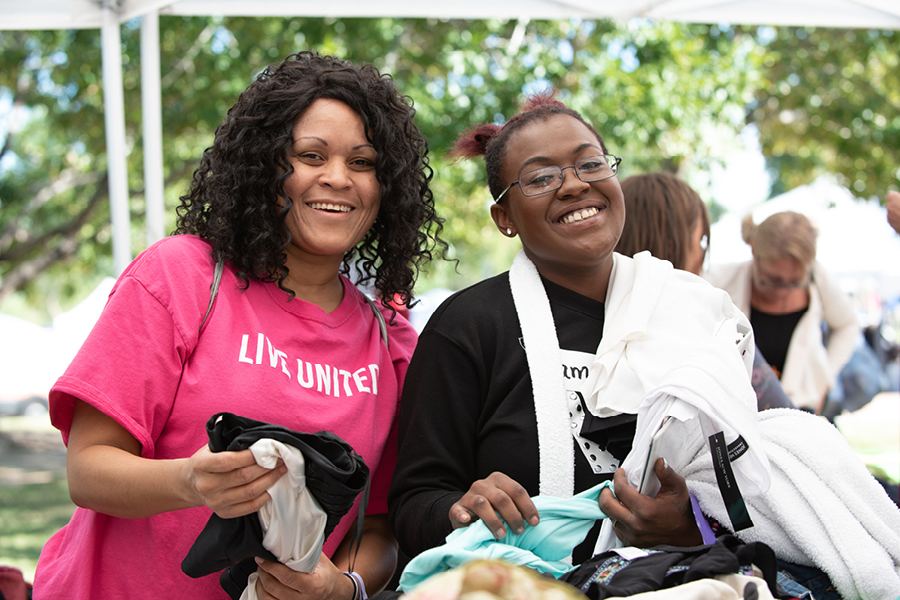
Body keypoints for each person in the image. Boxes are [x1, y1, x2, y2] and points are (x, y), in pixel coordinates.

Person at [33, 51, 444, 600]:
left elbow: (376, 526)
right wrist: (191, 481)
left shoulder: (388, 336)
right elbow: (87, 471)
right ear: (264, 166)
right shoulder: (181, 277)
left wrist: (340, 588)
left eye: (364, 162)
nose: (338, 179)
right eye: (310, 155)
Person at [388, 92, 770, 568]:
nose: (573, 186)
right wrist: (464, 509)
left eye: (590, 165)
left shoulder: (690, 311)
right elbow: (411, 505)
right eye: (541, 178)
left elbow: (750, 485)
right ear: (504, 219)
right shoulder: (469, 327)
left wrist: (686, 528)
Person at [616, 172, 793, 412]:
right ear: (672, 245)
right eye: (700, 241)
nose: (702, 255)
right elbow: (782, 411)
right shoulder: (712, 327)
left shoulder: (600, 323)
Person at [705, 211, 859, 413]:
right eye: (772, 280)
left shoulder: (819, 280)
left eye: (794, 283)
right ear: (753, 251)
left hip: (804, 410)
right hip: (736, 413)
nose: (782, 292)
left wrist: (826, 376)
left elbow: (847, 324)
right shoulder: (719, 281)